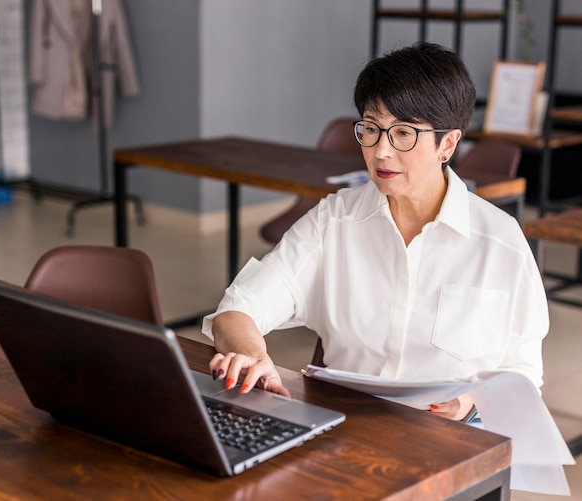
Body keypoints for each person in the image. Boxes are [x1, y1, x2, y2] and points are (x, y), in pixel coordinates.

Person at [201, 42, 549, 422]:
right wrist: (253, 356)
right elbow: (238, 309)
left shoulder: (499, 241)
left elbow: (524, 370)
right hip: (348, 422)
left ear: (447, 144)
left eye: (403, 134)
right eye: (371, 129)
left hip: (453, 430)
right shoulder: (334, 220)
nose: (381, 150)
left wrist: (471, 402)